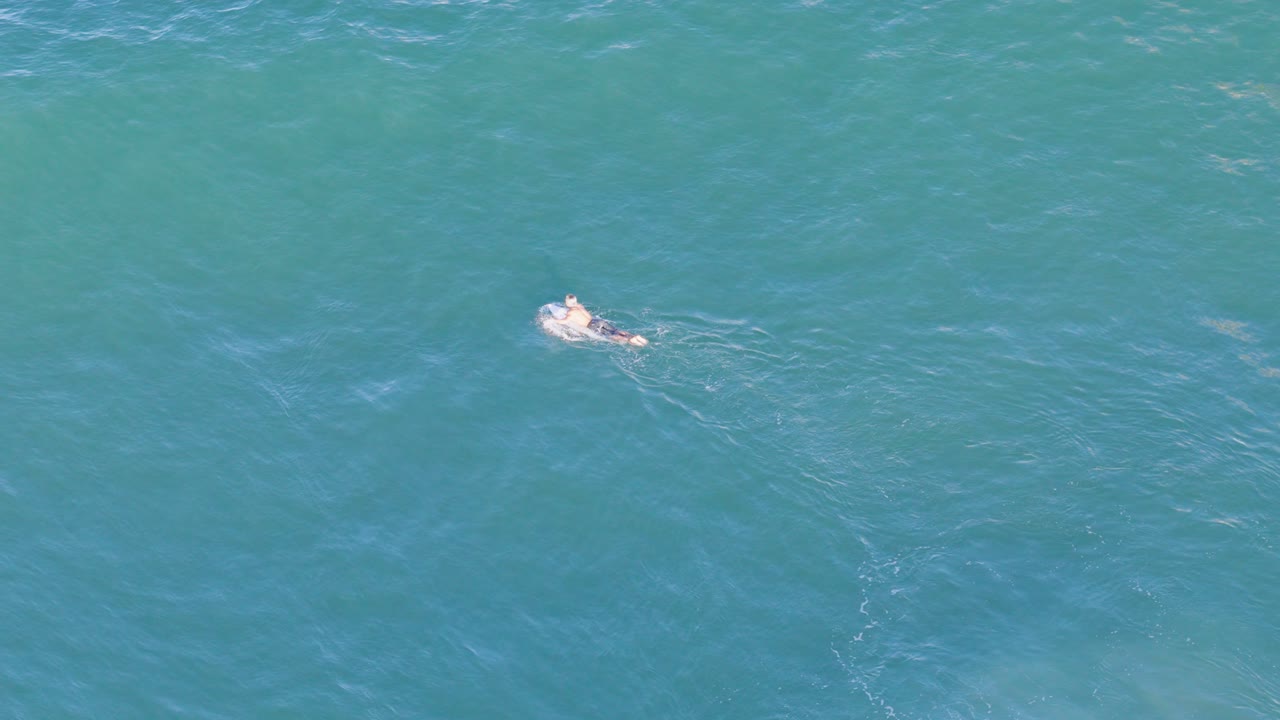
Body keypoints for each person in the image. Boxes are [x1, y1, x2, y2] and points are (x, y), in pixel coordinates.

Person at [554, 294, 649, 347]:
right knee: (615, 330)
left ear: (567, 302)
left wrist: (553, 320)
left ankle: (629, 339)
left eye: (566, 301)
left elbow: (564, 321)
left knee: (610, 336)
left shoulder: (571, 312)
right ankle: (634, 336)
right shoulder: (579, 306)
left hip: (592, 326)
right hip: (598, 321)